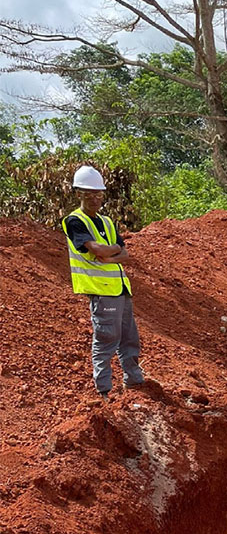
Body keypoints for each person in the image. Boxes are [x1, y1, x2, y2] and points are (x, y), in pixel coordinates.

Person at [62, 165, 145, 398]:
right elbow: (96, 250)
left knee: (129, 337)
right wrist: (109, 252)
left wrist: (111, 252)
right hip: (101, 290)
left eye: (98, 194)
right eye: (89, 194)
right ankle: (105, 391)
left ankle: (134, 381)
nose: (95, 199)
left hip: (120, 287)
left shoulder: (107, 222)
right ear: (79, 194)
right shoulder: (74, 221)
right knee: (107, 339)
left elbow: (125, 255)